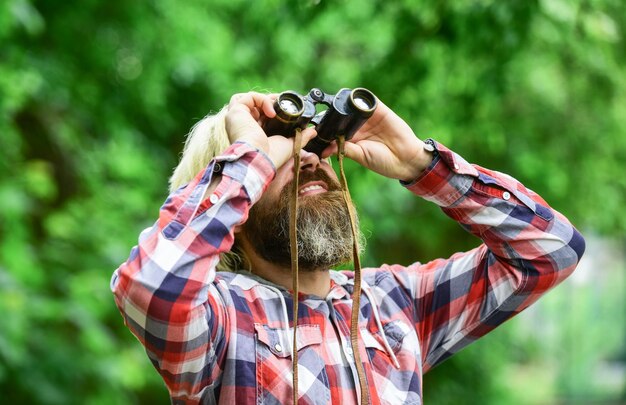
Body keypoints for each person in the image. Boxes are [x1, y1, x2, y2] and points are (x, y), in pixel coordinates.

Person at [111, 91, 585, 404]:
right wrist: (248, 160)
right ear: (236, 203)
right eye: (281, 151)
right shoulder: (220, 321)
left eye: (314, 147)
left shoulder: (393, 305)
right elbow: (152, 287)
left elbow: (551, 250)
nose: (308, 159)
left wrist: (421, 165)